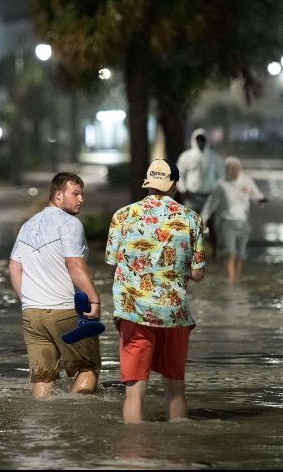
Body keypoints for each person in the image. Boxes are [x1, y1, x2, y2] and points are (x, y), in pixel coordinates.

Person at [105, 159, 205, 424]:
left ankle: (133, 456)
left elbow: (111, 262)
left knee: (134, 394)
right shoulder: (191, 219)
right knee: (175, 390)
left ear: (148, 182)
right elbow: (197, 274)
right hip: (174, 314)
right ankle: (177, 452)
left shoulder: (122, 216)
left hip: (133, 313)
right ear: (174, 184)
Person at [8, 172, 102, 399]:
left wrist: (28, 300)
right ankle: (74, 425)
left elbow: (13, 267)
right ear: (58, 196)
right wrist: (94, 299)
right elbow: (74, 264)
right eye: (76, 194)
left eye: (82, 194)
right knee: (87, 368)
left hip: (32, 315)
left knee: (43, 377)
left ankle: (41, 429)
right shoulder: (70, 224)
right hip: (64, 311)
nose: (81, 199)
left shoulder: (28, 226)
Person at [200, 157, 267, 284]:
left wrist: (261, 200)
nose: (234, 171)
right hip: (227, 224)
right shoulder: (221, 185)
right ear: (226, 170)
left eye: (237, 169)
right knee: (230, 253)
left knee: (240, 256)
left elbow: (256, 194)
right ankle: (231, 282)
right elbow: (211, 203)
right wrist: (203, 218)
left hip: (243, 223)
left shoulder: (246, 181)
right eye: (231, 169)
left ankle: (236, 278)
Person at [176, 128, 225, 213]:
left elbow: (221, 175)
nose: (200, 142)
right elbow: (179, 174)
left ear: (207, 140)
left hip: (209, 197)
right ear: (194, 140)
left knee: (209, 223)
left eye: (202, 140)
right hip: (192, 196)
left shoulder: (214, 158)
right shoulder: (186, 156)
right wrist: (183, 190)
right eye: (198, 140)